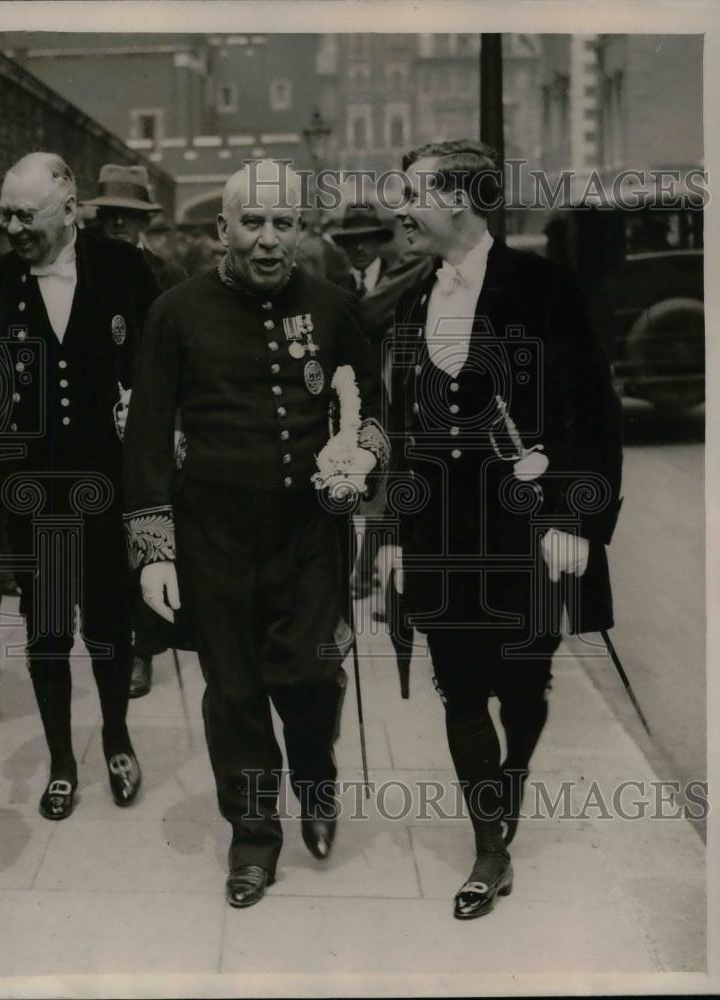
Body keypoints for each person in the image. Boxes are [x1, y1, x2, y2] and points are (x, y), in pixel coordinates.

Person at [122, 160, 389, 908]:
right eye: (253, 223)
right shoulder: (175, 313)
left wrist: (363, 455)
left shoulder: (334, 308)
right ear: (222, 231)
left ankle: (316, 773)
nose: (269, 240)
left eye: (283, 224)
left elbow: (372, 409)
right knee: (233, 692)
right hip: (214, 535)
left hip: (309, 532)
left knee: (307, 673)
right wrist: (153, 550)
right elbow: (145, 439)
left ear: (300, 230)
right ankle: (253, 835)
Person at [388, 139, 622, 919]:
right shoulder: (412, 296)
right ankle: (490, 848)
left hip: (527, 530)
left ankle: (513, 773)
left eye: (413, 192)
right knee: (458, 683)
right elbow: (405, 429)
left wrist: (576, 517)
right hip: (441, 535)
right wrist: (392, 532)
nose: (400, 207)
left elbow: (589, 410)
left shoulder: (544, 287)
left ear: (458, 199)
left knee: (523, 683)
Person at [0, 152, 159, 820]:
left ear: (68, 209)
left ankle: (117, 734)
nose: (10, 227)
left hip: (110, 491)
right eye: (3, 213)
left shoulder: (122, 271)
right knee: (47, 632)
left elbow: (156, 368)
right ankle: (62, 760)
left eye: (23, 214)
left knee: (111, 626)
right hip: (35, 498)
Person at [85, 165, 188, 698]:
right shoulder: (82, 271)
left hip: (147, 418)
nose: (119, 228)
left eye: (128, 219)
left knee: (145, 526)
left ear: (144, 221)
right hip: (94, 423)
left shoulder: (165, 277)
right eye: (110, 219)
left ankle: (145, 649)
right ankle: (116, 639)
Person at [85, 163, 188, 292]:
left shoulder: (170, 277)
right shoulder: (79, 268)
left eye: (128, 213)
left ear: (144, 221)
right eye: (111, 212)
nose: (119, 221)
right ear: (100, 218)